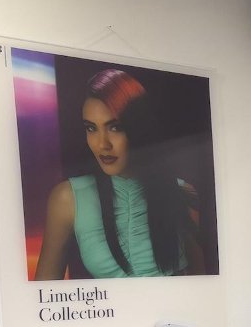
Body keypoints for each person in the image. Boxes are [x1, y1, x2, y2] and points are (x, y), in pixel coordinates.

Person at [34, 69, 203, 280]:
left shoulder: (182, 193)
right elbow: (43, 293)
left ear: (138, 127)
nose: (102, 144)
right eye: (91, 128)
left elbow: (202, 284)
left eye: (115, 127)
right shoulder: (67, 199)